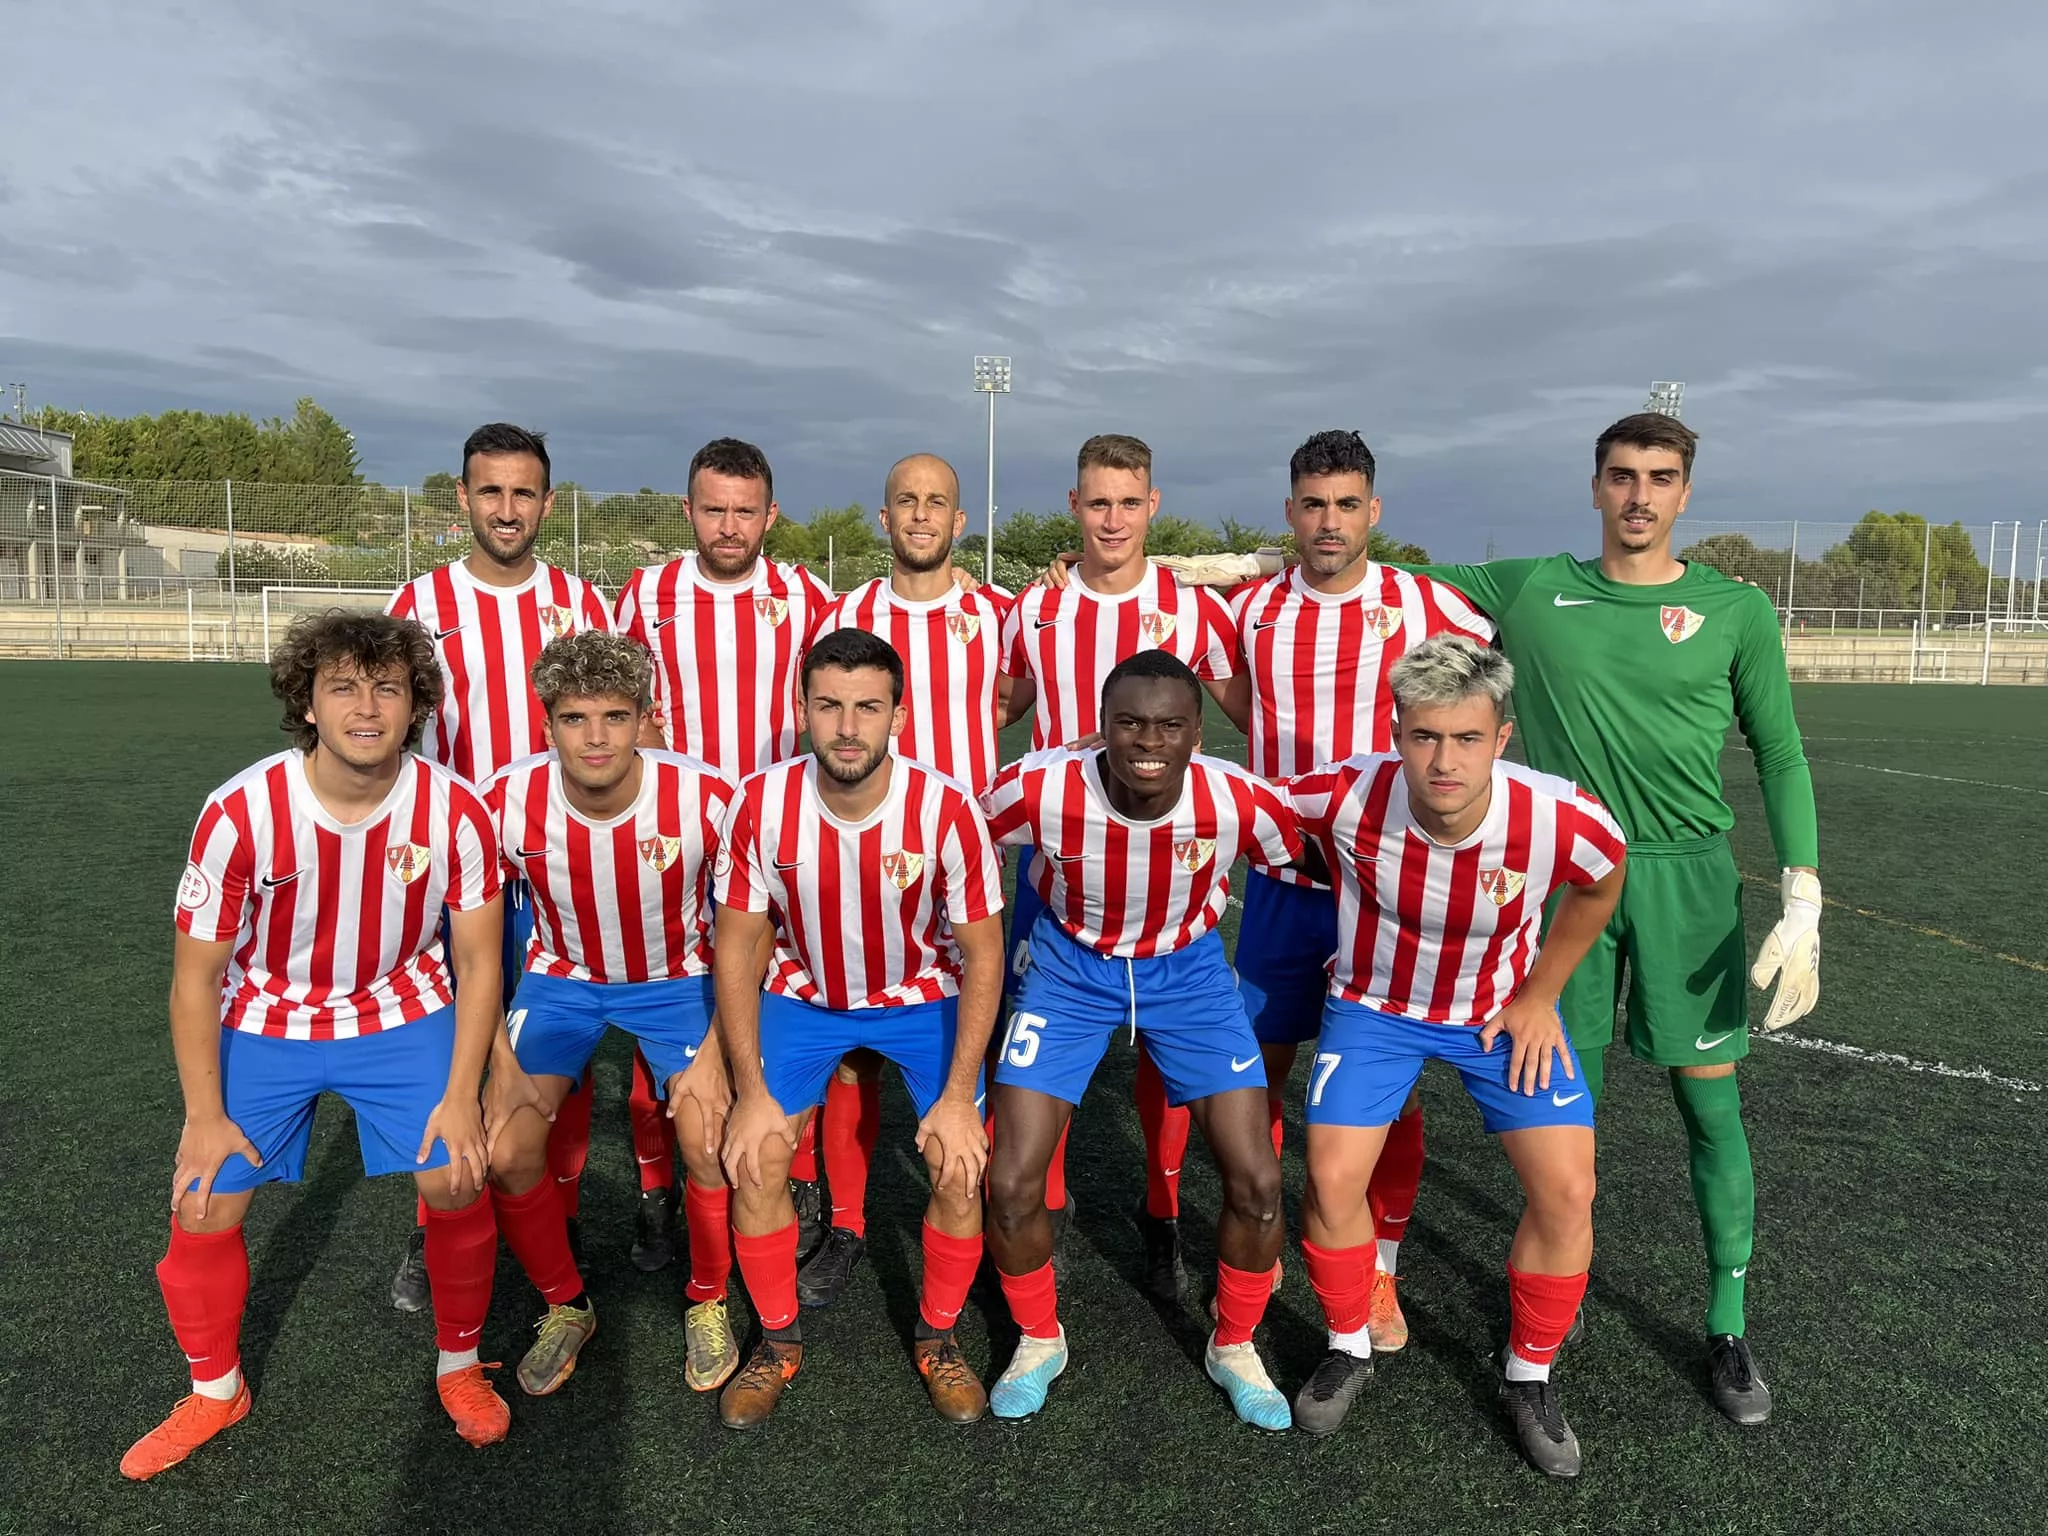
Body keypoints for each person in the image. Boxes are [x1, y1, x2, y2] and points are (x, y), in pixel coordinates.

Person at [1405, 413, 1820, 1423]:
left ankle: (1725, 1323)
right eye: (1621, 476)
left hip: (1687, 885)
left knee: (1708, 1104)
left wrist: (1801, 893)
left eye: (1660, 478)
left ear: (1685, 494)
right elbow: (1374, 576)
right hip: (1559, 882)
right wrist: (1229, 561)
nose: (1638, 496)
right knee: (1562, 1115)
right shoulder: (1525, 587)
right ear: (1593, 486)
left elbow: (1779, 753)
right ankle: (1559, 1300)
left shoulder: (1734, 611)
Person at [122, 613, 508, 1480]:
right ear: (307, 700)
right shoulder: (239, 812)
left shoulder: (455, 811)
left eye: (388, 687)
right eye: (343, 685)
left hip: (403, 1011)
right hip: (266, 1019)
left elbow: (480, 964)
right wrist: (203, 1114)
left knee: (455, 1173)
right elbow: (194, 980)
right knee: (201, 1201)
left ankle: (458, 1366)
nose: (366, 707)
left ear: (417, 705)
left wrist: (461, 1092)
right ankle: (215, 1390)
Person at [1285, 635, 1626, 1477]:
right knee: (1331, 1178)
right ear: (1395, 730)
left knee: (1569, 1188)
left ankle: (1529, 1375)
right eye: (1424, 737)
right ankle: (1347, 1344)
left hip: (1496, 1017)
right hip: (1375, 1010)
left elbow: (1604, 877)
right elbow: (1226, 807)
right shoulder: (1341, 795)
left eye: (1467, 739)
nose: (1444, 761)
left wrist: (1542, 993)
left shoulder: (1557, 815)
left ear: (1501, 740)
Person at [385, 424, 675, 1305]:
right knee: (447, 1049)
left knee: (560, 1047)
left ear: (547, 504)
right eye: (490, 491)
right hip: (449, 869)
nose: (506, 510)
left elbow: (631, 721)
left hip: (556, 865)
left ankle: (561, 1204)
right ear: (463, 498)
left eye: (523, 494)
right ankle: (439, 1217)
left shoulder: (581, 602)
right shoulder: (418, 604)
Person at [979, 651, 1299, 1430]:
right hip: (1068, 972)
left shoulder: (1241, 800)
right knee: (1012, 1179)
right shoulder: (1039, 787)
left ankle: (1235, 1344)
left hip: (1188, 977)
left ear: (1199, 732)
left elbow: (1303, 869)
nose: (1147, 741)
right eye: (1128, 723)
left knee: (1257, 1182)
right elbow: (966, 849)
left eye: (1169, 725)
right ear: (1101, 725)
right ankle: (1037, 1338)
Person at [1226, 429, 1493, 1351]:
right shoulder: (1252, 609)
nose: (1329, 522)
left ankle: (1379, 1270)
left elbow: (1493, 701)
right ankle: (1254, 1247)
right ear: (1290, 512)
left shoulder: (1428, 603)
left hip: (1387, 894)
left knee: (1390, 1090)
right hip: (1281, 882)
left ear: (1373, 510)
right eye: (1313, 504)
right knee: (1254, 1076)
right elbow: (1232, 701)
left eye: (1347, 505)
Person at [711, 628, 1007, 1428]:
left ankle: (938, 1336)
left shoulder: (945, 807)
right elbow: (737, 948)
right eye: (829, 705)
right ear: (801, 709)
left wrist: (955, 1095)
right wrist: (748, 1090)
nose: (848, 727)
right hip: (804, 996)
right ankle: (777, 1340)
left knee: (956, 1161)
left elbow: (983, 956)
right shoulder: (760, 803)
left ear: (898, 718)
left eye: (868, 707)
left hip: (922, 996)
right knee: (758, 1155)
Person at [999, 433, 1250, 1302]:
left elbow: (1255, 714)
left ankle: (1162, 1209)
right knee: (1040, 1054)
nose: (1112, 518)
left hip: (1170, 868)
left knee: (1165, 1054)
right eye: (1096, 502)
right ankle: (1051, 1211)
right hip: (1060, 867)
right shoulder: (1031, 609)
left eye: (1128, 501)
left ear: (1153, 506)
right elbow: (997, 703)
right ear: (1074, 507)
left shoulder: (1192, 609)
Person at [478, 631, 744, 1399]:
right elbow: (470, 935)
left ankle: (707, 1298)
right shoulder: (505, 799)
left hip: (679, 981)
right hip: (561, 982)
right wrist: (498, 1061)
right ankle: (567, 1307)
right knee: (507, 1149)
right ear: (547, 723)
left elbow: (746, 930)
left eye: (616, 717)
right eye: (574, 718)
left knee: (706, 1137)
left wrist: (720, 1048)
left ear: (644, 717)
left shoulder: (706, 797)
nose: (596, 738)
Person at [798, 453, 1018, 1307]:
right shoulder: (841, 613)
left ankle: (990, 1211)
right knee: (854, 1052)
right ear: (883, 516)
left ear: (960, 522)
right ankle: (848, 1225)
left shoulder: (999, 612)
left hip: (962, 866)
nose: (922, 515)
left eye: (938, 503)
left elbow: (1015, 695)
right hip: (852, 857)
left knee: (975, 1041)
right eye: (906, 501)